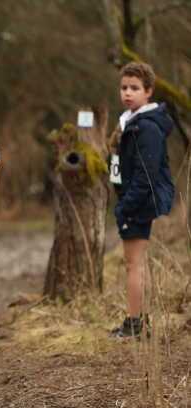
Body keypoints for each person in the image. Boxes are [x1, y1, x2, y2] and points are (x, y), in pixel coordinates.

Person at [108, 61, 174, 339]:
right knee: (134, 263)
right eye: (124, 87)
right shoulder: (128, 122)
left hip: (138, 202)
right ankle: (137, 318)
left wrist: (125, 207)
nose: (127, 92)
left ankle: (134, 324)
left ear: (148, 92)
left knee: (133, 263)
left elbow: (146, 175)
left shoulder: (147, 127)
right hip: (131, 200)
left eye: (134, 88)